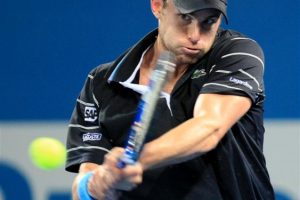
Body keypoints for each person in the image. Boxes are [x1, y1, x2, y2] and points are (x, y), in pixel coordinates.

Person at [65, 0, 275, 199]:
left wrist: (138, 159)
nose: (195, 36)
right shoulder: (100, 83)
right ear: (157, 6)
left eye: (208, 21)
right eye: (185, 17)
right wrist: (95, 184)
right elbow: (83, 184)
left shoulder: (236, 53)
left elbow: (210, 127)